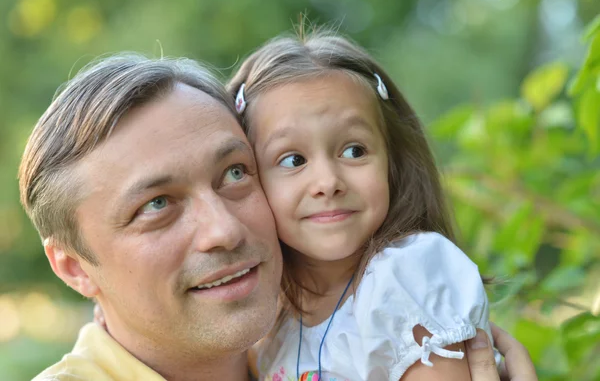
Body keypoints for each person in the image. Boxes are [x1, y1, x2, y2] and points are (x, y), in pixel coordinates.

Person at [20, 52, 536, 381]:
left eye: (235, 174)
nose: (223, 229)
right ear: (74, 267)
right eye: (156, 206)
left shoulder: (301, 338)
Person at [227, 30, 500, 381]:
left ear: (393, 162)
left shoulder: (405, 279)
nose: (327, 182)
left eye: (354, 151)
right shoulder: (272, 322)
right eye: (293, 160)